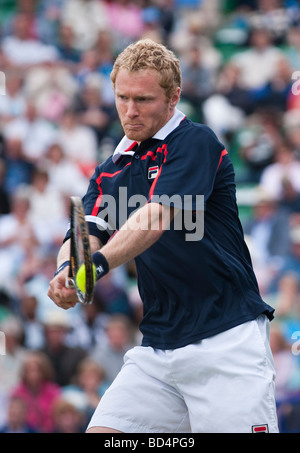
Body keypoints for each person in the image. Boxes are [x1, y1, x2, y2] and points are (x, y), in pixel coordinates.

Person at [48, 38, 279, 433]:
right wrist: (70, 269)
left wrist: (96, 266)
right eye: (122, 97)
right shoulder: (110, 170)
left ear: (173, 98)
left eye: (143, 99)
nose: (130, 111)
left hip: (226, 340)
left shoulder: (195, 142)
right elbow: (85, 232)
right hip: (157, 347)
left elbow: (157, 217)